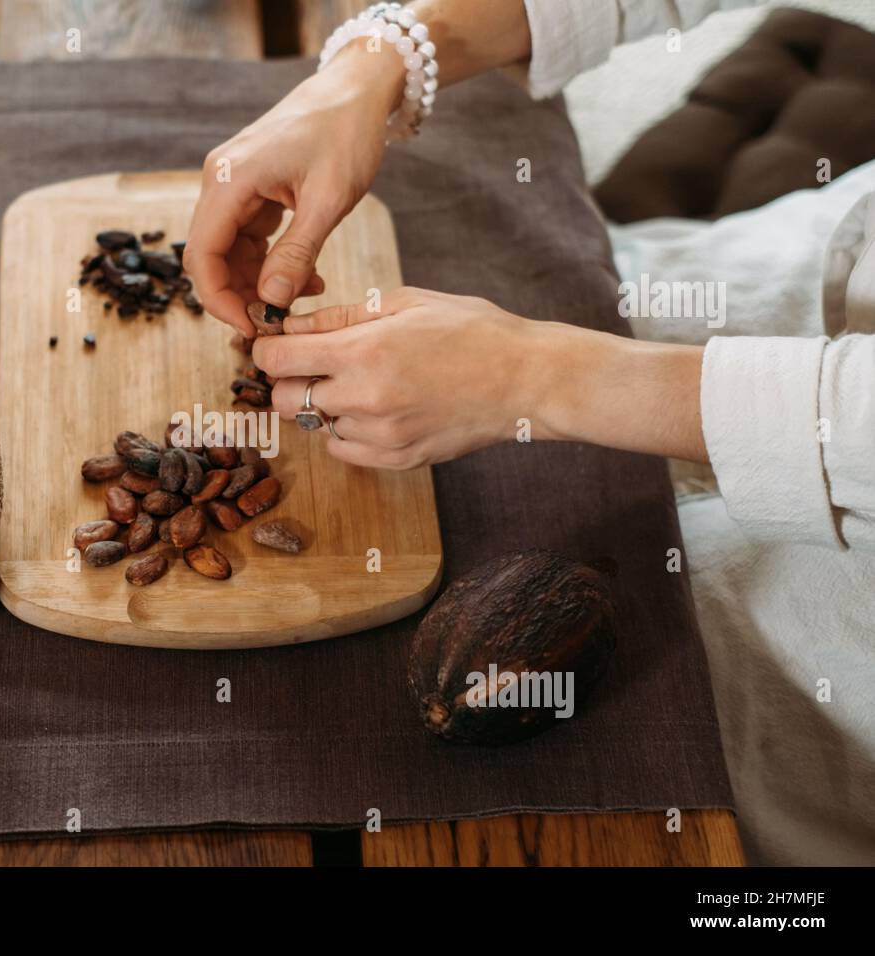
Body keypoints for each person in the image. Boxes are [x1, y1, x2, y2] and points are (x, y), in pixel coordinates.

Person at [184, 0, 875, 866]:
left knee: (648, 738)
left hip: (847, 597)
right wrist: (379, 60)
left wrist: (535, 376)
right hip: (836, 253)